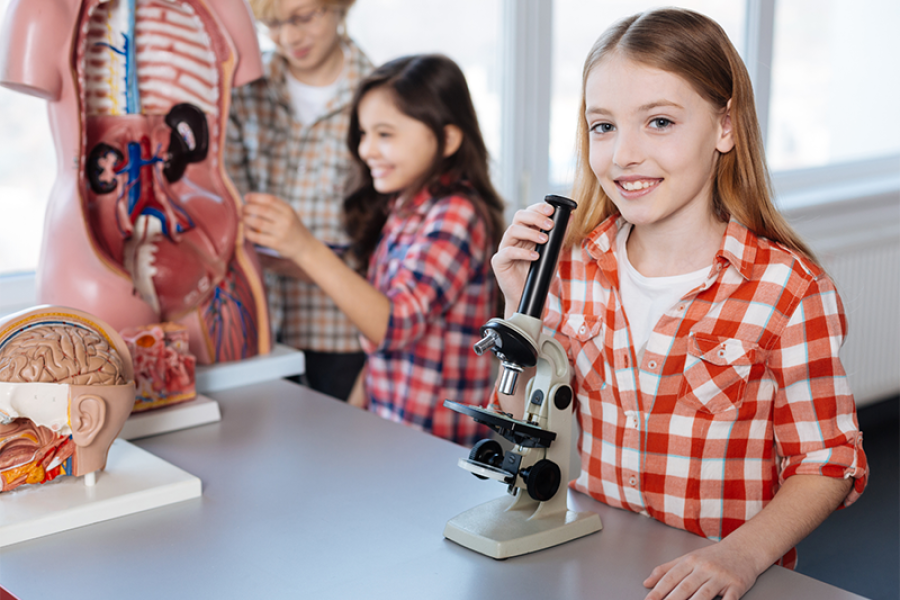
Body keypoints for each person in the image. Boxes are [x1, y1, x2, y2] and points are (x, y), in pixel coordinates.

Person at [492, 9, 867, 600]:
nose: (624, 156)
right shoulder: (568, 268)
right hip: (592, 563)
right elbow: (523, 436)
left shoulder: (789, 290)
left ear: (724, 128)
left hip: (721, 582)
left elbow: (828, 463)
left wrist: (740, 556)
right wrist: (522, 310)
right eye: (603, 127)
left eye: (659, 121)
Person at [243, 54, 505, 446]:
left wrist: (305, 246)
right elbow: (381, 323)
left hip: (434, 450)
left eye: (385, 134)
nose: (365, 150)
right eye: (364, 134)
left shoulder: (457, 214)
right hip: (392, 436)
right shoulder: (404, 206)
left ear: (448, 138)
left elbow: (393, 324)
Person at [225, 0, 373, 400]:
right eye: (272, 24)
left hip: (345, 336)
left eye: (303, 17)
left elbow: (387, 247)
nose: (289, 37)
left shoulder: (380, 98)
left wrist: (301, 254)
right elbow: (224, 208)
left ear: (339, 7)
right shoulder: (243, 90)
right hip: (259, 328)